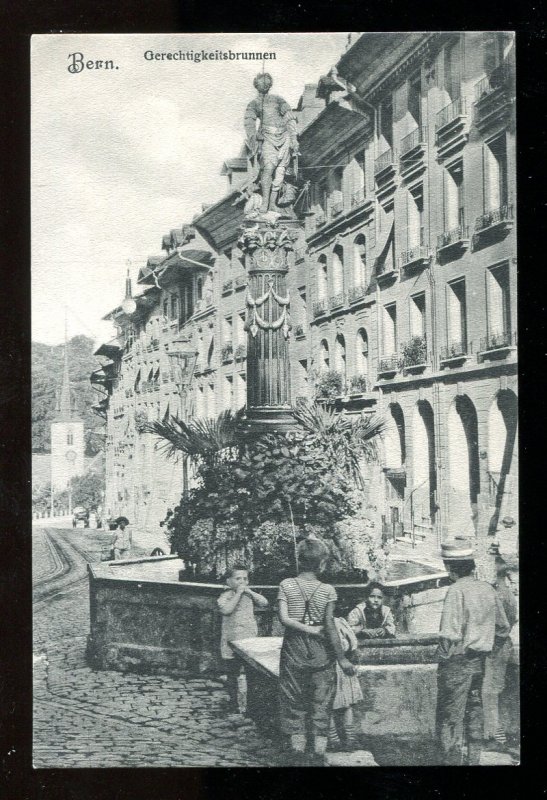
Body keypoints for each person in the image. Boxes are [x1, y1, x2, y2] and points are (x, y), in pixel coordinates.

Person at [277, 537, 356, 766]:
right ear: (322, 564)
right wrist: (341, 659)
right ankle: (320, 755)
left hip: (294, 650)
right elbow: (330, 626)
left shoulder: (286, 585)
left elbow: (284, 619)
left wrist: (305, 629)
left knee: (293, 701)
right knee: (322, 703)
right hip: (322, 652)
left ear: (298, 561)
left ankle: (297, 754)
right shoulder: (328, 590)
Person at [435, 539, 510, 765]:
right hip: (480, 662)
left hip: (457, 661)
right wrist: (483, 638)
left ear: (449, 567)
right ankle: (473, 761)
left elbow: (449, 634)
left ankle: (451, 764)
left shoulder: (456, 591)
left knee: (451, 717)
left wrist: (444, 659)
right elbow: (503, 628)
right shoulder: (487, 589)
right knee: (474, 713)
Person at [244, 72, 299, 214]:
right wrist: (254, 136)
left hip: (284, 136)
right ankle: (265, 203)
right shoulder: (254, 103)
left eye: (267, 82)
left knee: (280, 171)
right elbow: (249, 122)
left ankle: (273, 204)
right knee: (268, 169)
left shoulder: (278, 100)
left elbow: (289, 117)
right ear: (256, 85)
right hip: (267, 137)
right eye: (261, 82)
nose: (265, 85)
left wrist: (294, 137)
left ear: (270, 84)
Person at [217, 564, 268, 714]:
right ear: (229, 582)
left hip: (248, 640)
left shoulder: (249, 595)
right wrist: (238, 594)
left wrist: (250, 592)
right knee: (232, 674)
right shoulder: (225, 596)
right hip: (231, 640)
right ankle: (234, 704)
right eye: (238, 578)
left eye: (245, 579)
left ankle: (251, 706)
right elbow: (226, 610)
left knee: (251, 674)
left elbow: (264, 602)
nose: (242, 582)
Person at [482, 556, 518, 749]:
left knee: (490, 692)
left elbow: (504, 626)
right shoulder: (506, 593)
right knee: (494, 691)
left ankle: (496, 737)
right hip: (502, 647)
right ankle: (498, 734)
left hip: (497, 648)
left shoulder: (499, 594)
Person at [328, 617, 363, 752]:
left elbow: (350, 644)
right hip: (331, 666)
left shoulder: (339, 621)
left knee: (347, 703)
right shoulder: (326, 624)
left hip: (343, 667)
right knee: (329, 704)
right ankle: (333, 739)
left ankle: (350, 738)